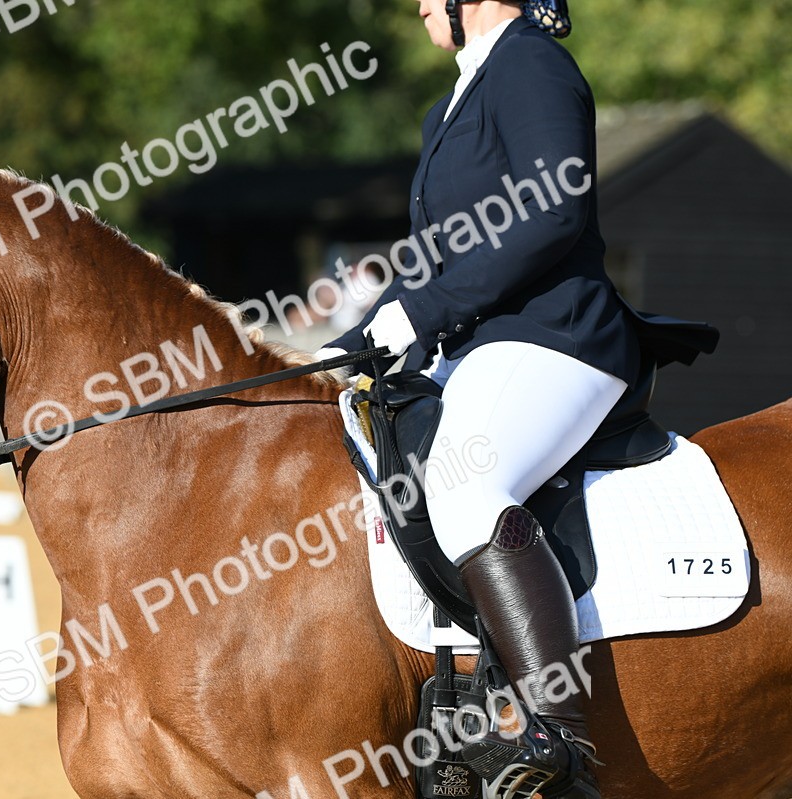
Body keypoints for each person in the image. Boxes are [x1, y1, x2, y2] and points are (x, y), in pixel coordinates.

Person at [317, 2, 627, 796]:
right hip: (480, 350)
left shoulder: (530, 66)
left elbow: (554, 212)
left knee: (463, 480)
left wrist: (423, 313)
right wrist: (367, 336)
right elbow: (437, 257)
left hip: (557, 339)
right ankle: (457, 701)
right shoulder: (447, 106)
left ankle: (550, 730)